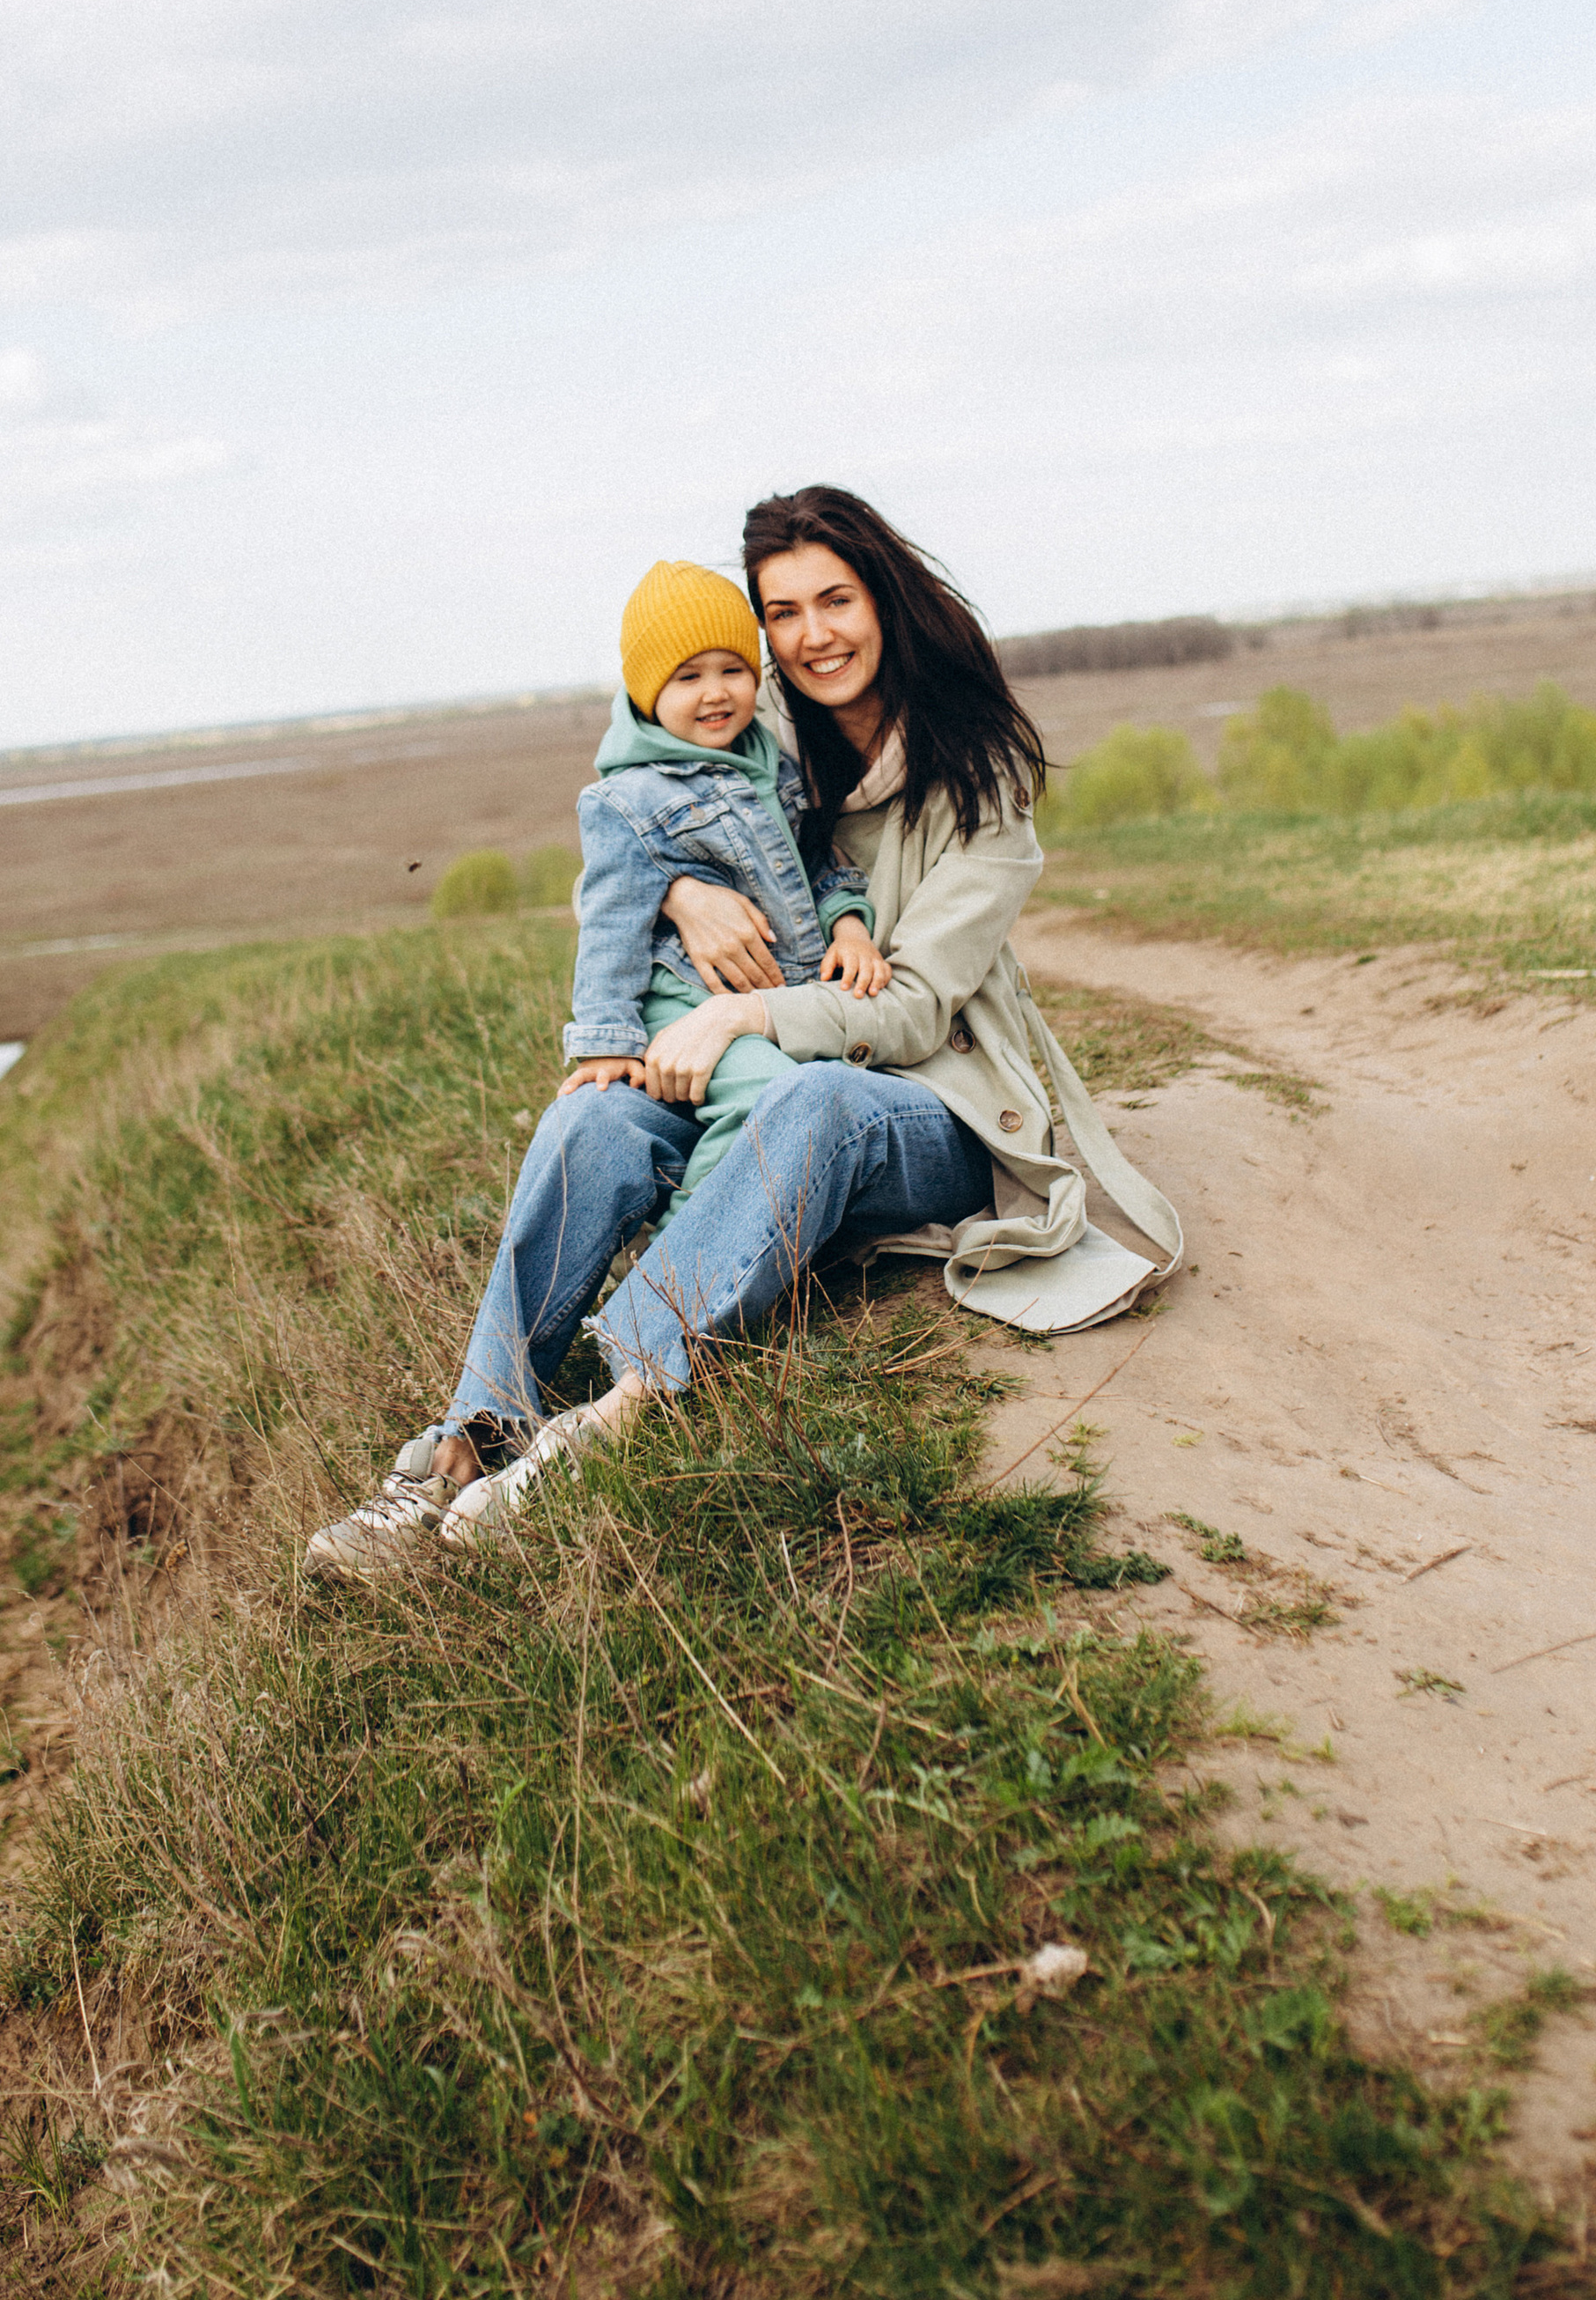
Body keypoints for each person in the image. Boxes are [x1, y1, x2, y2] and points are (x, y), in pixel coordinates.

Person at [305, 485, 1183, 1574]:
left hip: (929, 1111)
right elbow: (629, 822)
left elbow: (909, 1010)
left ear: (886, 600)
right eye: (783, 612)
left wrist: (739, 1010)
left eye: (836, 600)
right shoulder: (757, 734)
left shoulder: (981, 785)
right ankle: (466, 1444)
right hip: (762, 1076)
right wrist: (681, 894)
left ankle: (612, 1416)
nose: (812, 636)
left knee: (812, 1099)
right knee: (596, 1122)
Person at [559, 557, 892, 1232]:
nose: (715, 693)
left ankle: (750, 1229)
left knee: (818, 1102)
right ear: (647, 690)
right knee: (764, 1101)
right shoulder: (627, 798)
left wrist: (849, 925)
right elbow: (610, 925)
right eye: (688, 677)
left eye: (732, 670)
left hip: (772, 995)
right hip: (686, 1005)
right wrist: (604, 1041)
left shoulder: (770, 762)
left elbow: (815, 864)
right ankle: (684, 1257)